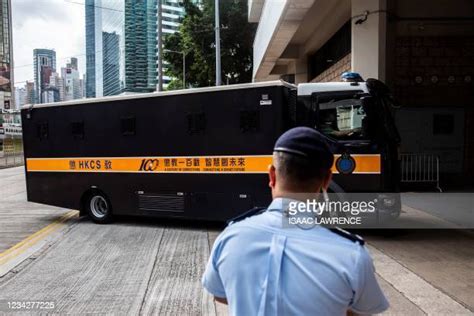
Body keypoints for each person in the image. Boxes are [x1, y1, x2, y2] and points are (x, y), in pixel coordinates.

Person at [202, 127, 389, 315]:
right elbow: (365, 310)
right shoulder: (352, 255)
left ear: (272, 175)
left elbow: (219, 294)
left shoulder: (230, 237)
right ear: (326, 181)